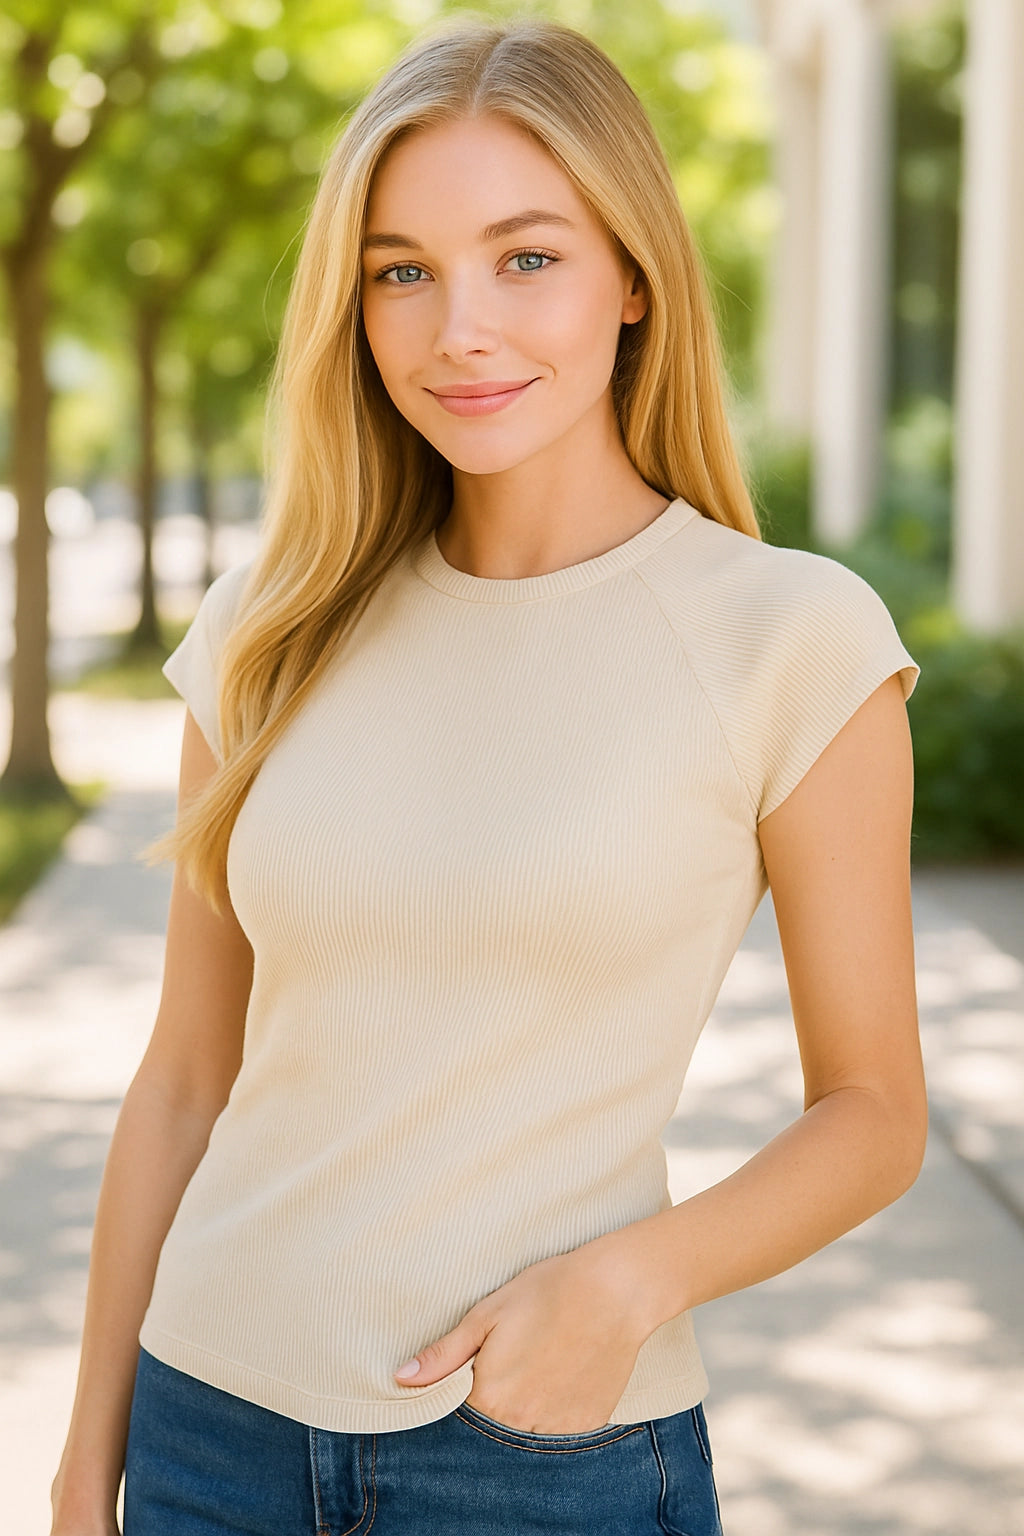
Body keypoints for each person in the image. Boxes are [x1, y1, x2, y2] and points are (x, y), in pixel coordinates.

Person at [50, 16, 927, 1536]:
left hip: (540, 1456)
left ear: (633, 276)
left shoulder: (786, 638)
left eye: (527, 258)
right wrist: (84, 1474)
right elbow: (186, 1077)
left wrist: (627, 1285)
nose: (460, 328)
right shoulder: (269, 629)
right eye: (402, 270)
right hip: (206, 1432)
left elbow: (873, 1110)